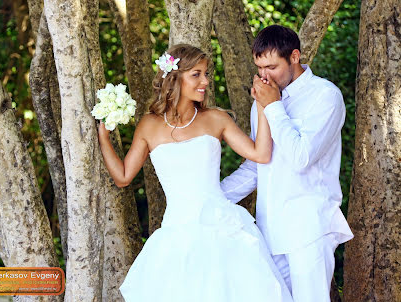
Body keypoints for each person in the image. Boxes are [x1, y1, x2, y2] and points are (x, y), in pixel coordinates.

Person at [98, 44, 293, 302]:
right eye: (197, 74)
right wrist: (104, 138)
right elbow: (123, 177)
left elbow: (261, 154)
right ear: (174, 78)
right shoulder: (149, 125)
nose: (205, 81)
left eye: (206, 74)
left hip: (222, 228)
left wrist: (262, 105)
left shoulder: (216, 119)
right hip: (176, 233)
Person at [221, 25, 354, 302]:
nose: (263, 76)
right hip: (270, 230)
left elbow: (300, 158)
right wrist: (210, 197)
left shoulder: (325, 96)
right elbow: (258, 164)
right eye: (259, 67)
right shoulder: (265, 100)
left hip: (310, 228)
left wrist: (272, 106)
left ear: (294, 57)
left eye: (271, 67)